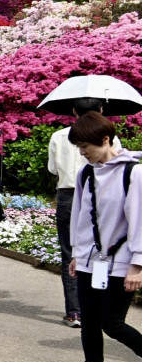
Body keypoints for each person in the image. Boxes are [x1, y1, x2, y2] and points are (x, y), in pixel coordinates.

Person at [61, 112, 142, 362]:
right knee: (90, 323)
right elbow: (81, 216)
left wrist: (137, 264)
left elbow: (139, 220)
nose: (82, 152)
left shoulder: (133, 173)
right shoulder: (87, 173)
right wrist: (77, 254)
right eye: (79, 147)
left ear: (105, 139)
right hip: (90, 262)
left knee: (112, 323)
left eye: (85, 146)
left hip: (122, 263)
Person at [48, 98, 122, 328]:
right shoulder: (109, 137)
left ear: (73, 110)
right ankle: (98, 308)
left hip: (67, 195)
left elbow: (52, 168)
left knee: (70, 254)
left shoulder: (59, 136)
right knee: (102, 247)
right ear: (101, 110)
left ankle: (74, 312)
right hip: (101, 194)